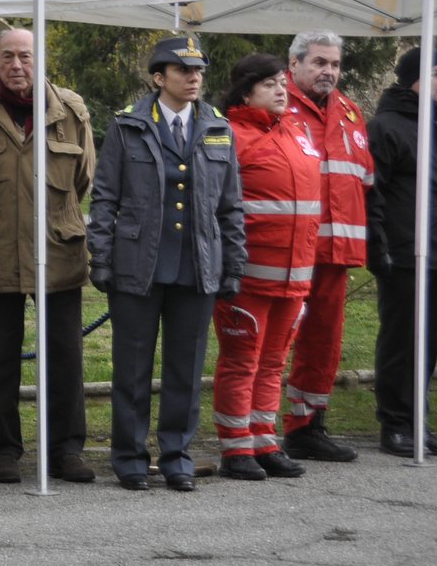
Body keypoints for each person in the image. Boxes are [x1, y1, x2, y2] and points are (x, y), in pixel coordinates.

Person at [88, 35, 245, 493]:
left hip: (197, 266)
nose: (194, 78)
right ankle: (130, 458)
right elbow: (105, 198)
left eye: (198, 71)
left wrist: (232, 263)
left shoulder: (218, 127)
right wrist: (101, 256)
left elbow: (230, 205)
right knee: (132, 369)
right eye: (183, 71)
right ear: (159, 78)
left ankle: (177, 455)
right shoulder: (127, 125)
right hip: (138, 263)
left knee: (186, 369)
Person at [0, 27, 97, 485]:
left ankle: (66, 449)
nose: (16, 65)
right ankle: (4, 451)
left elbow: (83, 178)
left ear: (40, 59)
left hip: (58, 251)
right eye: (7, 56)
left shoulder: (70, 111)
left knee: (64, 357)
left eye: (25, 57)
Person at [210, 54, 321, 481]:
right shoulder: (229, 135)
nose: (282, 90)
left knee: (274, 362)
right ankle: (235, 448)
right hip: (248, 273)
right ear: (245, 90)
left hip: (295, 274)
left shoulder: (296, 132)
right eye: (270, 84)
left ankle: (264, 440)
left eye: (282, 83)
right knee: (242, 361)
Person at [367, 46, 437, 457]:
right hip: (405, 252)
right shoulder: (386, 128)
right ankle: (394, 424)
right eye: (436, 73)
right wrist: (380, 248)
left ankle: (417, 422)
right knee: (401, 340)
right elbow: (373, 193)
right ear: (411, 79)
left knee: (427, 342)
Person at [279, 30, 371, 462]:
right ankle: (256, 427)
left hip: (336, 253)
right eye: (319, 62)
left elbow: (364, 181)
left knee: (324, 342)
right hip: (287, 249)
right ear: (293, 64)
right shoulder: (277, 105)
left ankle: (307, 426)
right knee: (276, 340)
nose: (328, 71)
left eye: (334, 64)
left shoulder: (350, 112)